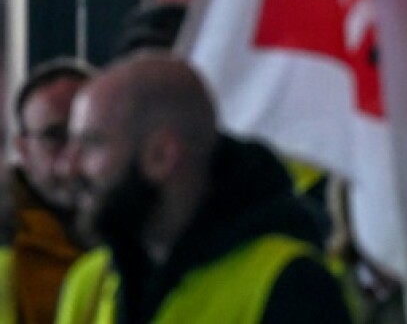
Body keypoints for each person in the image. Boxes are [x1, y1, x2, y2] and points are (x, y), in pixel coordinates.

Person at [54, 55, 351, 324]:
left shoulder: (291, 284)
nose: (67, 166)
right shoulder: (89, 282)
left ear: (161, 155)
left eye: (92, 144)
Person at [5, 59, 94, 324]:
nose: (74, 156)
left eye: (91, 136)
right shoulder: (10, 244)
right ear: (23, 149)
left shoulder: (151, 232)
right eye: (56, 136)